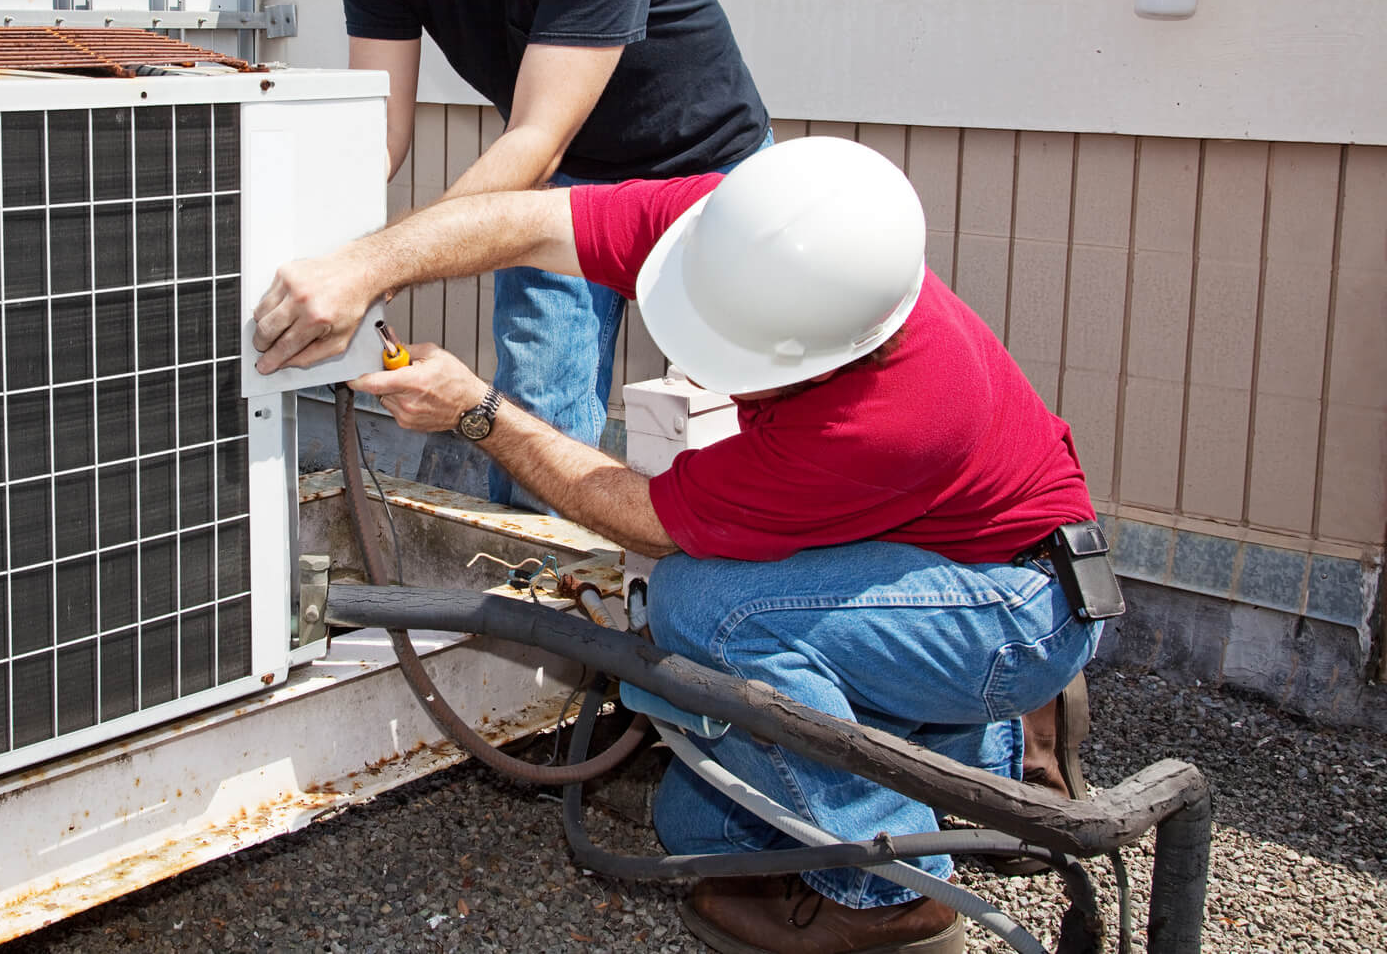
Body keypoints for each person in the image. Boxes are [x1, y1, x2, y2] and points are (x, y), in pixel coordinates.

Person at [253, 136, 1104, 954]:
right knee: (690, 825)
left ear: (817, 357)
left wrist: (478, 410)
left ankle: (893, 896)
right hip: (945, 554)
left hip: (1016, 603)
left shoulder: (882, 420)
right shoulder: (740, 231)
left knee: (707, 611)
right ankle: (987, 756)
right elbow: (527, 219)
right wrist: (367, 262)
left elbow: (642, 516)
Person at [340, 0, 771, 508]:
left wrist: (376, 265)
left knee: (750, 407)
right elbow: (379, 133)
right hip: (567, 182)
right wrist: (326, 247)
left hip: (709, 176)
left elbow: (534, 134)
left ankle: (732, 602)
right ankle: (546, 613)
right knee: (534, 414)